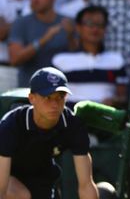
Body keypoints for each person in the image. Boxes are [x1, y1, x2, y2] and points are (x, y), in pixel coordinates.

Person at [0, 67, 99, 199]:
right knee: (22, 195)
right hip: (7, 178)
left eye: (60, 97)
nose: (54, 104)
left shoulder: (73, 125)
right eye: (47, 97)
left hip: (41, 181)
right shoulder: (11, 125)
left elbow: (86, 185)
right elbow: (1, 191)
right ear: (32, 98)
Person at [8, 0, 76, 86]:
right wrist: (44, 39)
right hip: (29, 92)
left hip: (61, 92)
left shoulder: (68, 23)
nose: (34, 0)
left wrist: (70, 37)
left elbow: (80, 58)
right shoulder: (21, 23)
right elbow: (15, 59)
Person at [52, 6, 126, 106]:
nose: (95, 29)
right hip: (71, 115)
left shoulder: (117, 61)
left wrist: (114, 101)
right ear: (78, 27)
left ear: (105, 28)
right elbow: (52, 97)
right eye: (90, 24)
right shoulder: (60, 61)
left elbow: (123, 97)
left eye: (100, 24)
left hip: (105, 114)